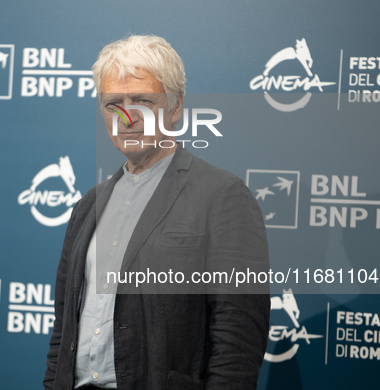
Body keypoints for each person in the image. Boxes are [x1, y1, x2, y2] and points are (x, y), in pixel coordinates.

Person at [44, 34, 269, 390]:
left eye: (143, 102)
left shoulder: (223, 196)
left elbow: (238, 340)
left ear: (176, 107)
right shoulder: (89, 204)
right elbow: (63, 330)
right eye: (112, 103)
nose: (127, 117)